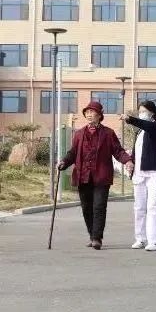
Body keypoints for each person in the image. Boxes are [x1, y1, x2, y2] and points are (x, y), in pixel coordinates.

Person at [58, 101, 133, 250]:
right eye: (87, 112)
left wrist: (128, 161)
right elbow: (72, 153)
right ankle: (92, 235)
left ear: (99, 115)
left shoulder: (108, 133)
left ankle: (97, 238)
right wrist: (63, 162)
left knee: (99, 206)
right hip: (83, 176)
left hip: (101, 177)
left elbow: (118, 151)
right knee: (86, 208)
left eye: (92, 112)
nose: (89, 115)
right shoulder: (79, 134)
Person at [121, 101, 156, 252]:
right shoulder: (139, 132)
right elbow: (136, 152)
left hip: (154, 173)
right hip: (139, 173)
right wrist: (131, 163)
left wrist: (130, 119)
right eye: (139, 111)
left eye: (144, 111)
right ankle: (140, 238)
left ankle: (153, 241)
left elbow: (147, 125)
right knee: (139, 207)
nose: (141, 114)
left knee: (152, 207)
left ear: (152, 112)